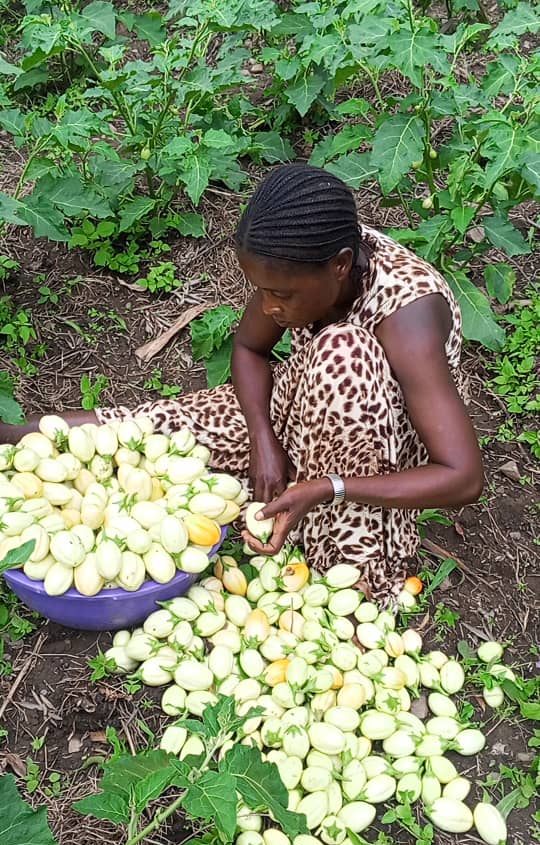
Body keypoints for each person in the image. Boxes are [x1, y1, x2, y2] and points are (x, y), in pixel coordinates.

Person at [1, 164, 483, 601]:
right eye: (261, 291)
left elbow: (463, 477)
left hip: (378, 445)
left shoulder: (408, 314)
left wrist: (328, 487)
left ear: (340, 265)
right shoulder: (299, 258)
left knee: (344, 351)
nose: (269, 307)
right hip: (307, 396)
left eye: (280, 295)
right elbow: (250, 349)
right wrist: (263, 440)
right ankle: (12, 440)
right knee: (149, 437)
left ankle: (344, 562)